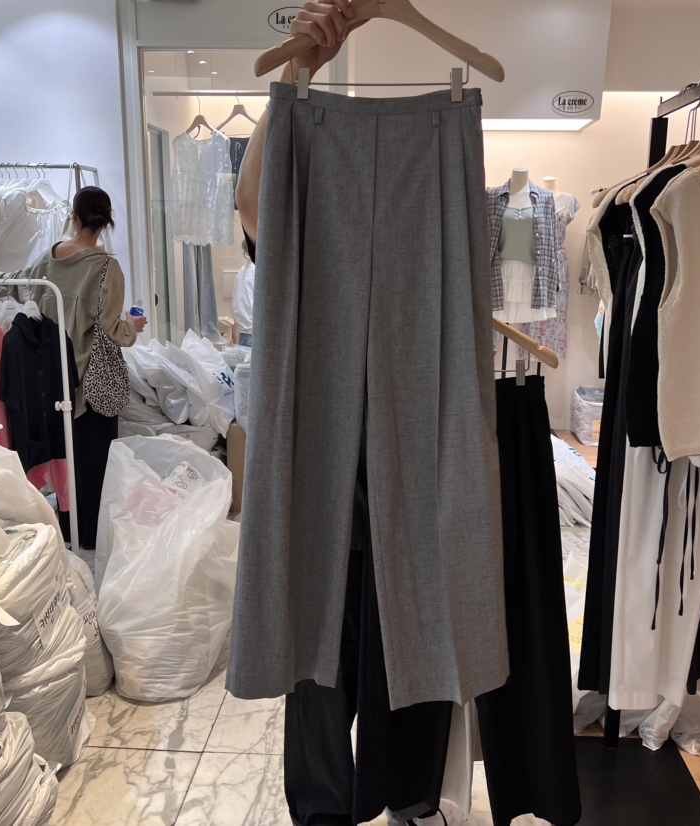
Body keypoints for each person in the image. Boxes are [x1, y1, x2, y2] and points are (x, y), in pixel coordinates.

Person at [233, 5, 455, 826]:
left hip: (413, 494)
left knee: (412, 657)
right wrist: (300, 78)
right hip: (328, 499)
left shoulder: (430, 226)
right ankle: (330, 812)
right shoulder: (302, 241)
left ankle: (409, 797)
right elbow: (254, 199)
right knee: (318, 673)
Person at [0, 186, 147, 549]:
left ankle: (68, 529)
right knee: (93, 463)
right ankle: (91, 538)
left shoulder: (51, 257)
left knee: (63, 459)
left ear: (74, 216)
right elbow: (112, 329)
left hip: (52, 378)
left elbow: (20, 285)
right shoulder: (106, 268)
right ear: (106, 222)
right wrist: (135, 327)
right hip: (90, 380)